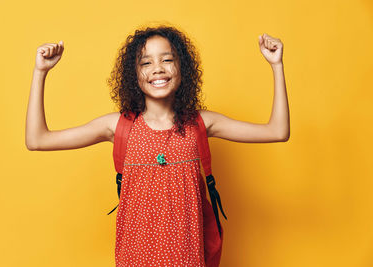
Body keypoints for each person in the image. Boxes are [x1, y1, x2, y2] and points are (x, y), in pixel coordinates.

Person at [25, 25, 289, 266]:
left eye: (167, 59)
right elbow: (37, 140)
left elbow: (277, 131)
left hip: (188, 258)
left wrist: (277, 66)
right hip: (134, 258)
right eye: (146, 62)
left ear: (182, 69)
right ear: (134, 74)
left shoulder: (201, 123)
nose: (158, 68)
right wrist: (40, 71)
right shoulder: (118, 126)